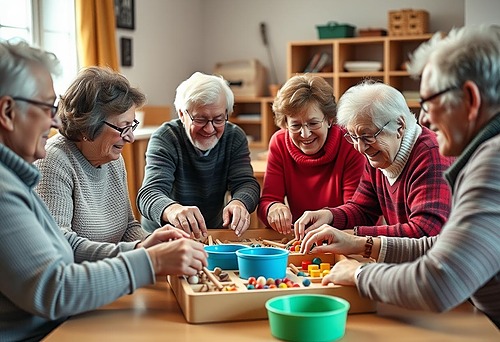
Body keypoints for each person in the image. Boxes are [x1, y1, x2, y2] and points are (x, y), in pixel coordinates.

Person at [0, 40, 207, 341]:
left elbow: (124, 228)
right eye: (47, 107)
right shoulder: (12, 186)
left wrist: (144, 246)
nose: (55, 120)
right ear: (7, 111)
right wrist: (151, 260)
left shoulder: (16, 177)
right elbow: (55, 288)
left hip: (75, 315)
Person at [299, 25, 500, 328]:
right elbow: (439, 245)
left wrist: (359, 272)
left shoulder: (492, 160)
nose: (425, 118)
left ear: (470, 100)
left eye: (429, 101)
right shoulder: (487, 153)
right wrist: (354, 239)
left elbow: (439, 281)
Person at [294, 80, 454, 240]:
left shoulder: (432, 154)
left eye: (367, 136)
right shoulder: (379, 156)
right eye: (353, 137)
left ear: (399, 126)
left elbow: (425, 232)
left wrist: (353, 237)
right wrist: (329, 216)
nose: (360, 148)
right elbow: (363, 209)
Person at [137, 72, 260, 238]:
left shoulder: (234, 137)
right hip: (163, 236)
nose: (209, 129)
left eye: (218, 119)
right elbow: (149, 194)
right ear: (182, 114)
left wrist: (240, 202)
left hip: (211, 233)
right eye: (200, 119)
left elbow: (246, 183)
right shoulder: (166, 137)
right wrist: (173, 209)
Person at [34, 66, 148, 243]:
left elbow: (128, 226)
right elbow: (60, 242)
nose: (130, 138)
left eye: (131, 125)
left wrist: (152, 243)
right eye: (123, 127)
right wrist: (138, 252)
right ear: (88, 126)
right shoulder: (52, 161)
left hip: (115, 266)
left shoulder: (113, 160)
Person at [257, 74, 365, 234]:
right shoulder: (279, 142)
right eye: (295, 125)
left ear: (329, 119)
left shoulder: (350, 142)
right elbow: (267, 201)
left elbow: (357, 213)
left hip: (345, 238)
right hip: (303, 239)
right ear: (285, 123)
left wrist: (330, 219)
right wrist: (273, 209)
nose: (305, 134)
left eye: (313, 123)